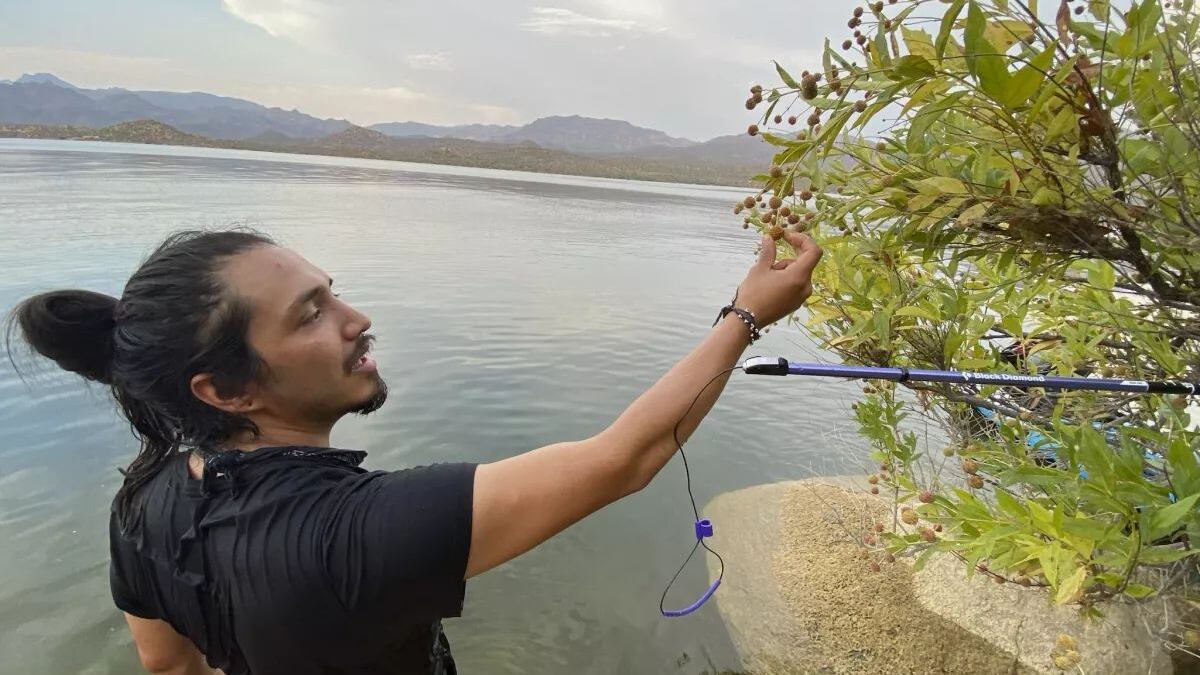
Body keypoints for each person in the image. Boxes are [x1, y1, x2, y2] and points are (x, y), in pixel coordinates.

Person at [6, 227, 821, 675]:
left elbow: (167, 665)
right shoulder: (361, 531)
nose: (356, 318)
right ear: (223, 391)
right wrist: (746, 316)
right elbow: (623, 459)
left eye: (332, 291)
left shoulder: (141, 500)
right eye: (310, 314)